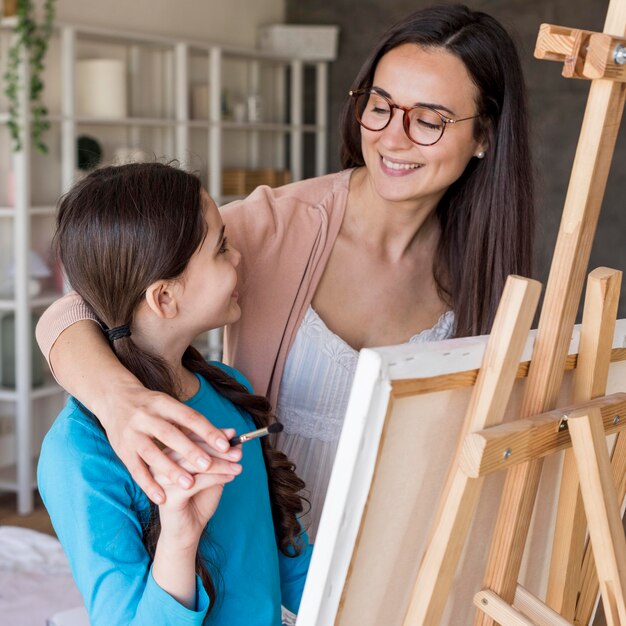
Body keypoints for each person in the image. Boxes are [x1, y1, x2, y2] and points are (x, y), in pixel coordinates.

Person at [36, 5, 534, 539]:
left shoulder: (487, 265)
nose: (393, 137)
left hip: (400, 562)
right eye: (381, 106)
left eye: (430, 120)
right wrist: (120, 401)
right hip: (271, 558)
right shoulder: (274, 227)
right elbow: (78, 306)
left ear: (484, 136)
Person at [37, 163, 311, 626]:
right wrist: (180, 539)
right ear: (164, 298)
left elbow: (291, 562)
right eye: (221, 248)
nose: (239, 257)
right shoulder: (78, 454)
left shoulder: (230, 389)